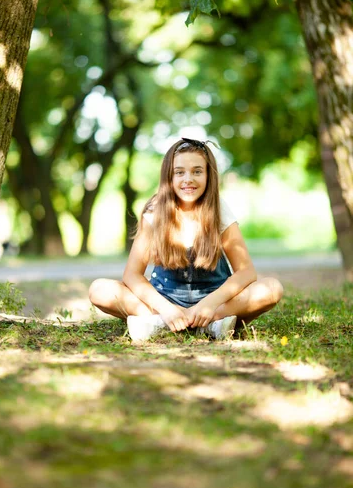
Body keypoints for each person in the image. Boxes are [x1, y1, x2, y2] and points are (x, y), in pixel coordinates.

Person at [89, 138, 283, 341]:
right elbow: (132, 275)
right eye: (179, 172)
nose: (188, 179)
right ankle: (167, 320)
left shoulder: (218, 210)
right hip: (164, 301)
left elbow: (246, 272)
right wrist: (165, 309)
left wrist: (210, 305)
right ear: (168, 177)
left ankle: (210, 321)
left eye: (197, 171)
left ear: (209, 176)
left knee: (271, 288)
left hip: (214, 303)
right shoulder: (155, 212)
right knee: (99, 290)